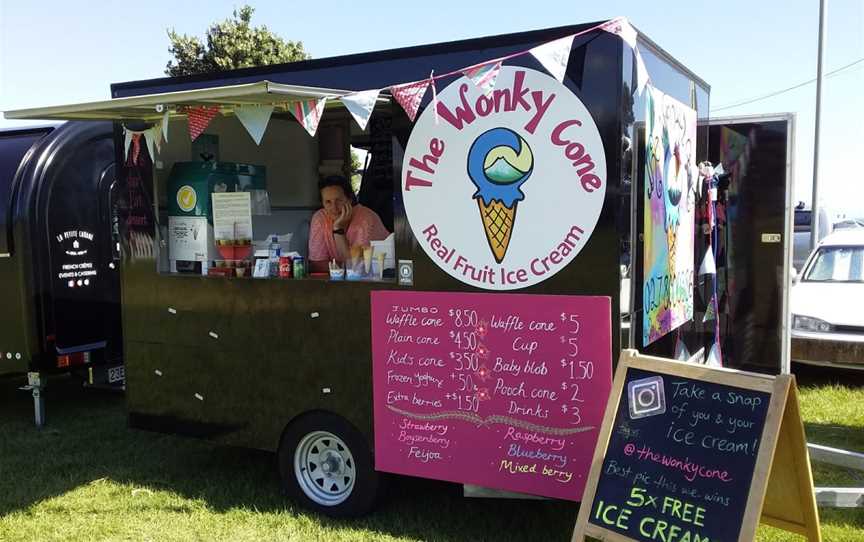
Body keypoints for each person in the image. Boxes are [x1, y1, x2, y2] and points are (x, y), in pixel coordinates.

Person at [308, 175, 389, 273]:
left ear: (349, 200)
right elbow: (317, 265)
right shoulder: (320, 219)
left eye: (339, 201)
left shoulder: (365, 219)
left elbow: (356, 268)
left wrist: (338, 229)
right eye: (328, 202)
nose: (334, 208)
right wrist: (343, 266)